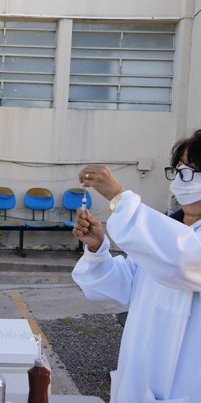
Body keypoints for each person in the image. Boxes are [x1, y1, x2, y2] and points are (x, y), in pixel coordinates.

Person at [71, 129, 201, 402]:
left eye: (190, 170)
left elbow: (182, 260)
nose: (180, 179)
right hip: (139, 378)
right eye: (177, 170)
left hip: (186, 387)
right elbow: (129, 285)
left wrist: (120, 197)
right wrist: (97, 248)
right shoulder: (168, 230)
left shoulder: (170, 241)